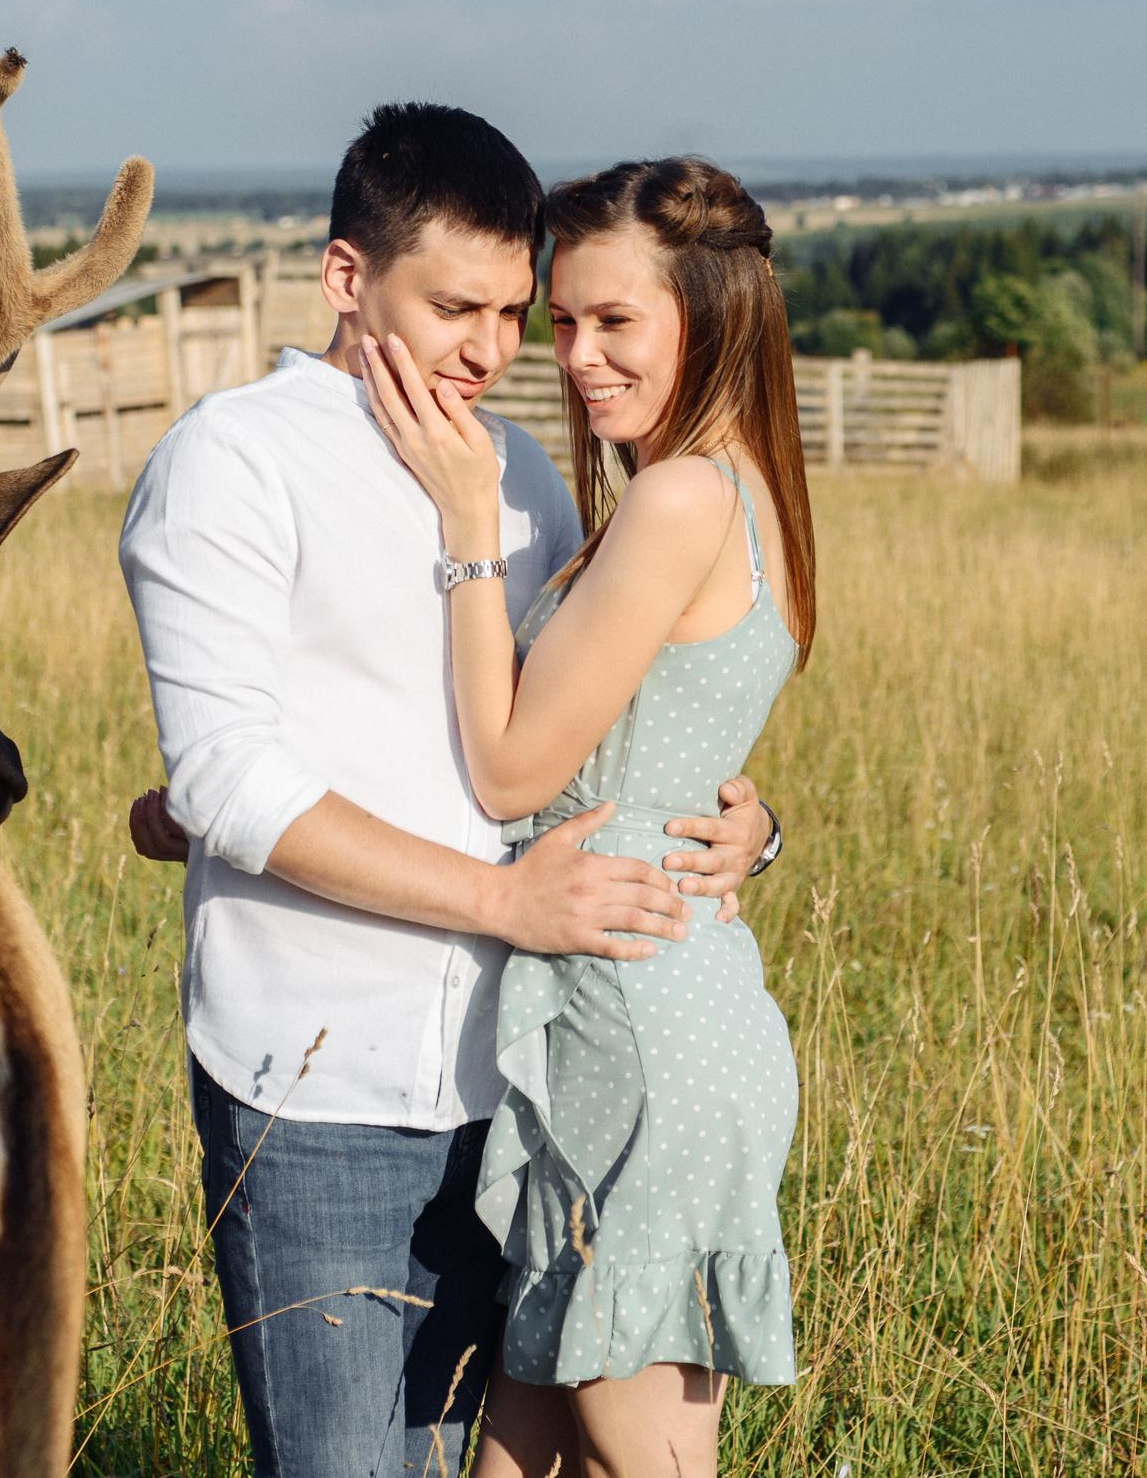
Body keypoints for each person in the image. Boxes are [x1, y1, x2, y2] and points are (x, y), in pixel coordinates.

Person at [115, 105, 781, 1478]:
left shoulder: (525, 479)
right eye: (455, 306)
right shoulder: (232, 464)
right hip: (323, 1093)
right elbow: (238, 773)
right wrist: (492, 894)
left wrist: (747, 824)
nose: (492, 349)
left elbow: (587, 737)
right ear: (347, 278)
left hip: (528, 1086)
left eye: (509, 310)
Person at [361, 155, 815, 1478]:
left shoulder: (677, 501)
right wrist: (762, 825)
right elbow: (687, 748)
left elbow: (509, 774)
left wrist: (460, 523)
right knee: (524, 1454)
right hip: (650, 993)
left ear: (710, 312)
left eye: (615, 321)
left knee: (639, 1463)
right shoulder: (742, 488)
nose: (573, 355)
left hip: (633, 1025)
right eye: (563, 320)